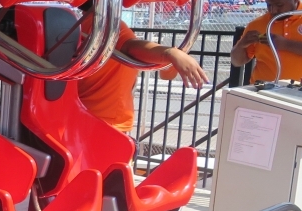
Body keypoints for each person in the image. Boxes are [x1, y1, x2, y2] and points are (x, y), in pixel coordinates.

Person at [77, 18, 208, 133]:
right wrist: (170, 54)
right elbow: (131, 47)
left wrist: (170, 57)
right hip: (106, 119)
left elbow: (165, 75)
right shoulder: (106, 24)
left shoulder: (82, 26)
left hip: (85, 113)